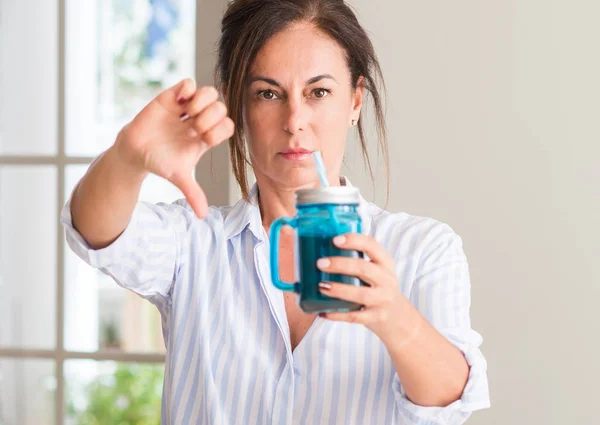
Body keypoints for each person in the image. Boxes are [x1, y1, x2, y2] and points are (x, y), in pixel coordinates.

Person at [61, 0, 490, 424]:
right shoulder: (194, 243)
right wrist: (128, 156)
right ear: (239, 106)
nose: (295, 120)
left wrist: (395, 316)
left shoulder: (423, 249)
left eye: (318, 92)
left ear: (355, 101)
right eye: (268, 93)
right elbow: (94, 229)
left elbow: (451, 402)